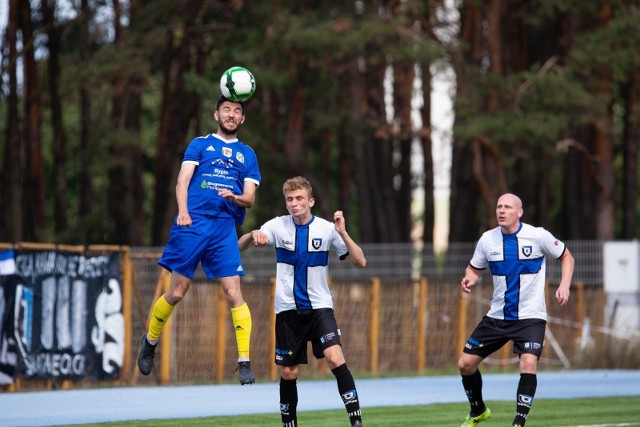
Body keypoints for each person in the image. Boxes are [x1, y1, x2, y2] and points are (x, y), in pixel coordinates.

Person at [137, 96, 261, 385]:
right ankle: (150, 341)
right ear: (216, 114)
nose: (231, 115)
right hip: (193, 222)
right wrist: (182, 212)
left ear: (242, 119)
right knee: (178, 291)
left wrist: (235, 197)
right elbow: (182, 181)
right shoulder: (201, 144)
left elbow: (250, 199)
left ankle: (244, 362)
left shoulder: (248, 154)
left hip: (223, 228)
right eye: (226, 110)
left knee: (233, 293)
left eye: (237, 111)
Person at [238, 176, 366, 427]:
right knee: (289, 372)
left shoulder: (327, 229)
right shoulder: (276, 226)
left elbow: (360, 262)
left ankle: (356, 422)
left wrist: (343, 233)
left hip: (320, 308)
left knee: (335, 357)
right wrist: (252, 235)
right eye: (289, 199)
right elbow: (241, 246)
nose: (294, 204)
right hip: (287, 310)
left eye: (299, 199)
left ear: (311, 201)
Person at [457, 193, 574, 427]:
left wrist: (564, 284)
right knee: (465, 365)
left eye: (507, 207)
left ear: (519, 212)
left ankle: (518, 422)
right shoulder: (487, 240)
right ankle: (478, 410)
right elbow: (474, 269)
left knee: (528, 363)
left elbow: (566, 256)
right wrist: (469, 280)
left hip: (530, 318)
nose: (501, 210)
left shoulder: (537, 235)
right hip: (497, 318)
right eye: (499, 206)